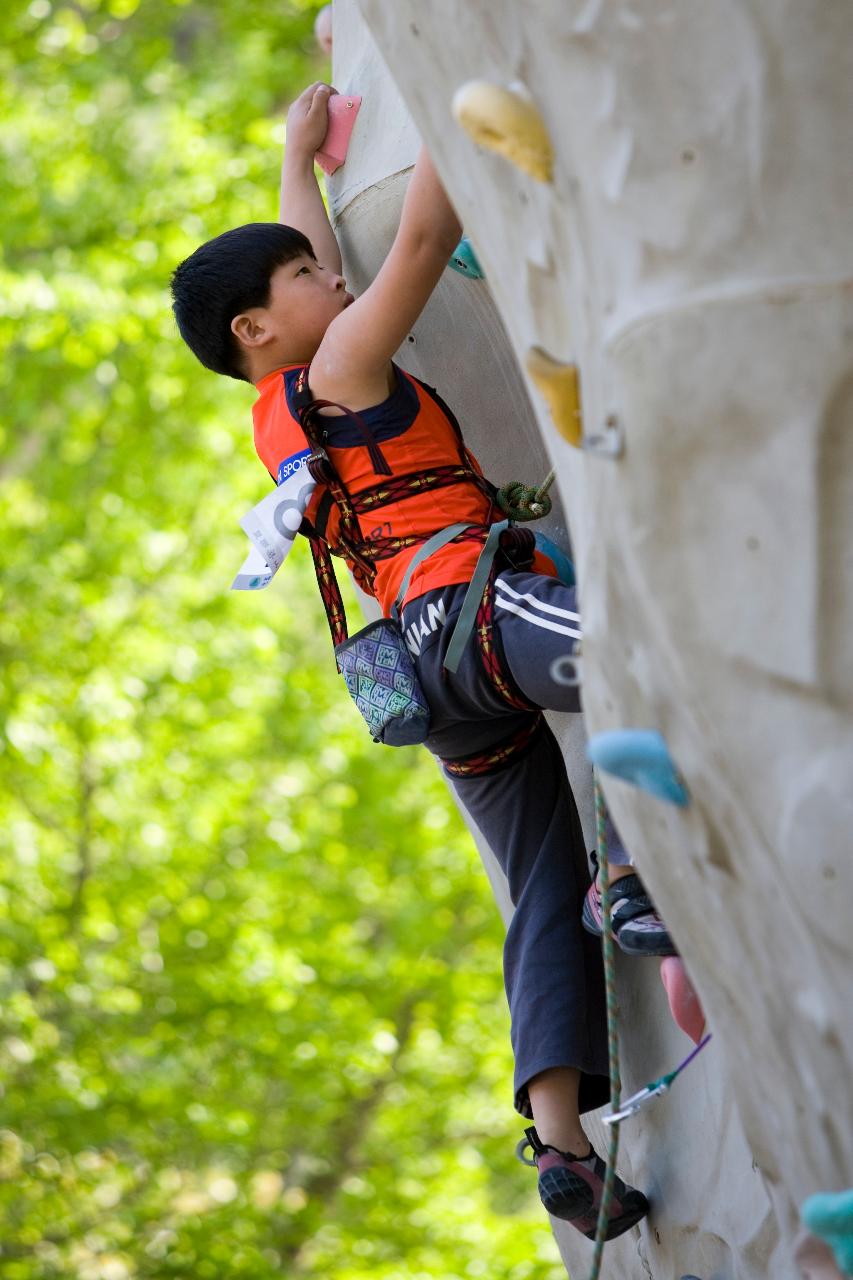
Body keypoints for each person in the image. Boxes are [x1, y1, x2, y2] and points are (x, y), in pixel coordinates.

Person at [171, 81, 675, 1241]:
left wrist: (298, 157)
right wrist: (455, 82)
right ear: (260, 324)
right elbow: (424, 236)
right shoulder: (346, 357)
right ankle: (641, 871)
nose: (330, 277)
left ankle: (559, 1142)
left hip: (424, 680)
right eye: (305, 279)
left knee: (536, 888)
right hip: (481, 612)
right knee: (638, 650)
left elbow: (299, 266)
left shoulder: (274, 418)